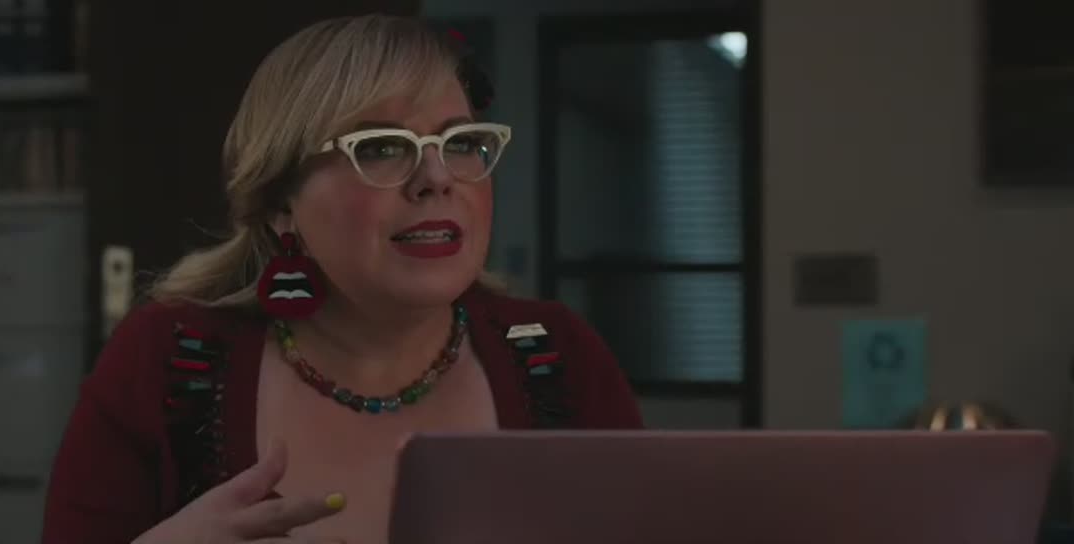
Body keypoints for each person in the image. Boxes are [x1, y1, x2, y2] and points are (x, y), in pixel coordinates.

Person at [42, 14, 643, 544]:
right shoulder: (162, 362)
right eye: (381, 148)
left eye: (461, 142)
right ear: (281, 204)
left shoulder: (557, 355)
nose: (438, 177)